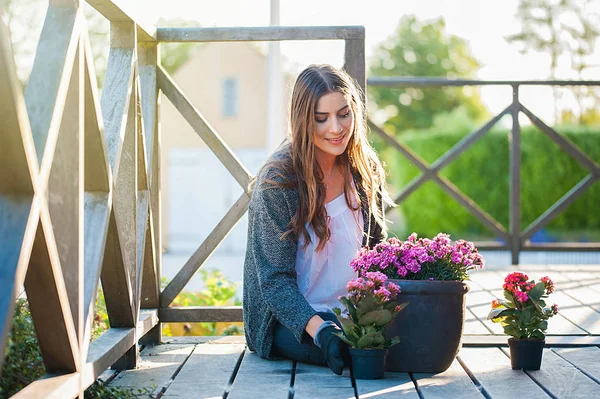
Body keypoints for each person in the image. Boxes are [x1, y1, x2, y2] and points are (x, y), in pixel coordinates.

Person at [243, 64, 392, 375]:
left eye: (344, 114)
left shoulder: (364, 170)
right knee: (352, 352)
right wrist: (322, 331)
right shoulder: (278, 180)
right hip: (291, 321)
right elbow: (274, 282)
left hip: (352, 312)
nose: (336, 128)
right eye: (321, 119)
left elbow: (377, 255)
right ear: (302, 121)